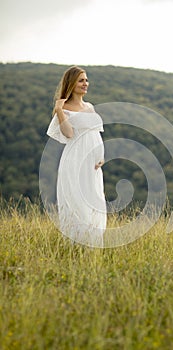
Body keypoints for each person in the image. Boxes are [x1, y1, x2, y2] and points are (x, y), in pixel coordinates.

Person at [46, 66, 106, 247]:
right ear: (71, 83)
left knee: (94, 202)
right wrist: (59, 111)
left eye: (86, 80)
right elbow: (69, 134)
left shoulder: (90, 106)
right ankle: (75, 248)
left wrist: (101, 156)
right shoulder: (63, 107)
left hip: (93, 165)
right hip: (75, 159)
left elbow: (95, 134)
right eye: (81, 80)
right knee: (77, 201)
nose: (85, 83)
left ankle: (92, 248)